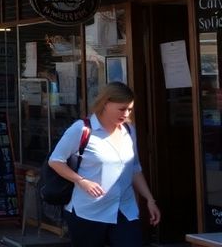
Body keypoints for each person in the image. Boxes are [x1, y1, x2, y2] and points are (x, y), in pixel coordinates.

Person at [49, 82, 160, 247]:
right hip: (88, 211)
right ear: (106, 103)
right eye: (122, 109)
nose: (126, 114)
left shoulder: (129, 131)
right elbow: (55, 160)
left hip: (124, 209)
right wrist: (81, 181)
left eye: (129, 109)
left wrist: (149, 199)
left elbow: (135, 168)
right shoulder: (82, 129)